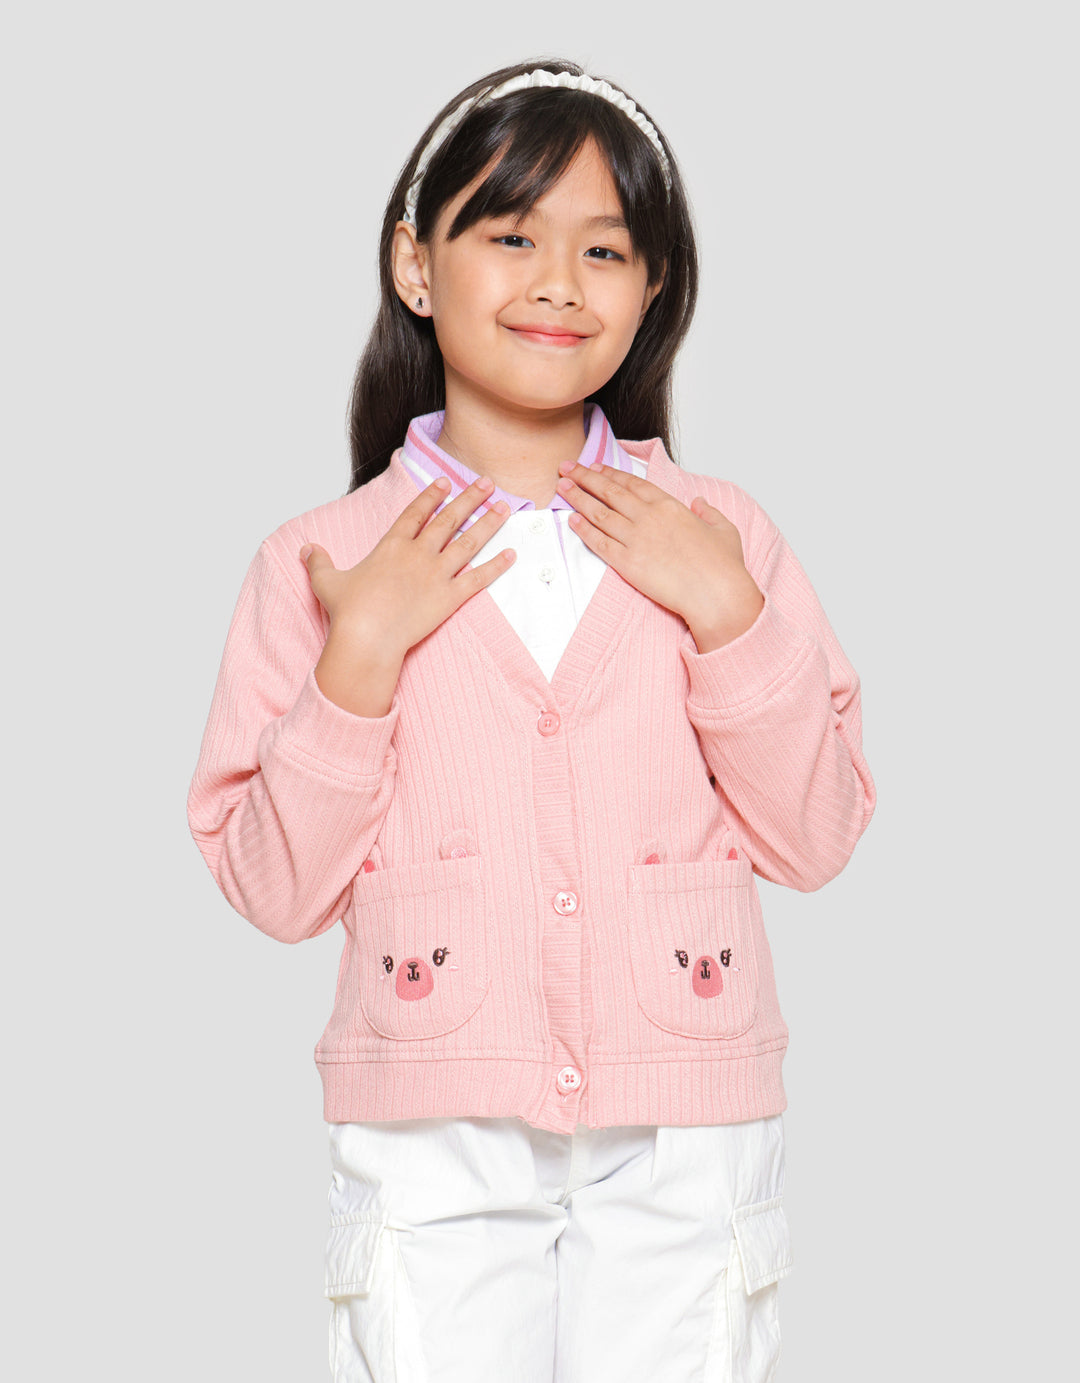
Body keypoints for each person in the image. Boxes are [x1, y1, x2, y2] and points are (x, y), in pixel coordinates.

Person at [188, 58, 875, 1383]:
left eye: (605, 250)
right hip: (429, 1115)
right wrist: (360, 660)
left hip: (687, 1113)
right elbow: (272, 890)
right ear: (416, 264)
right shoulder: (321, 560)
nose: (560, 281)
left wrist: (729, 615)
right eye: (511, 236)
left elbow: (820, 836)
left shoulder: (724, 537)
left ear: (653, 288)